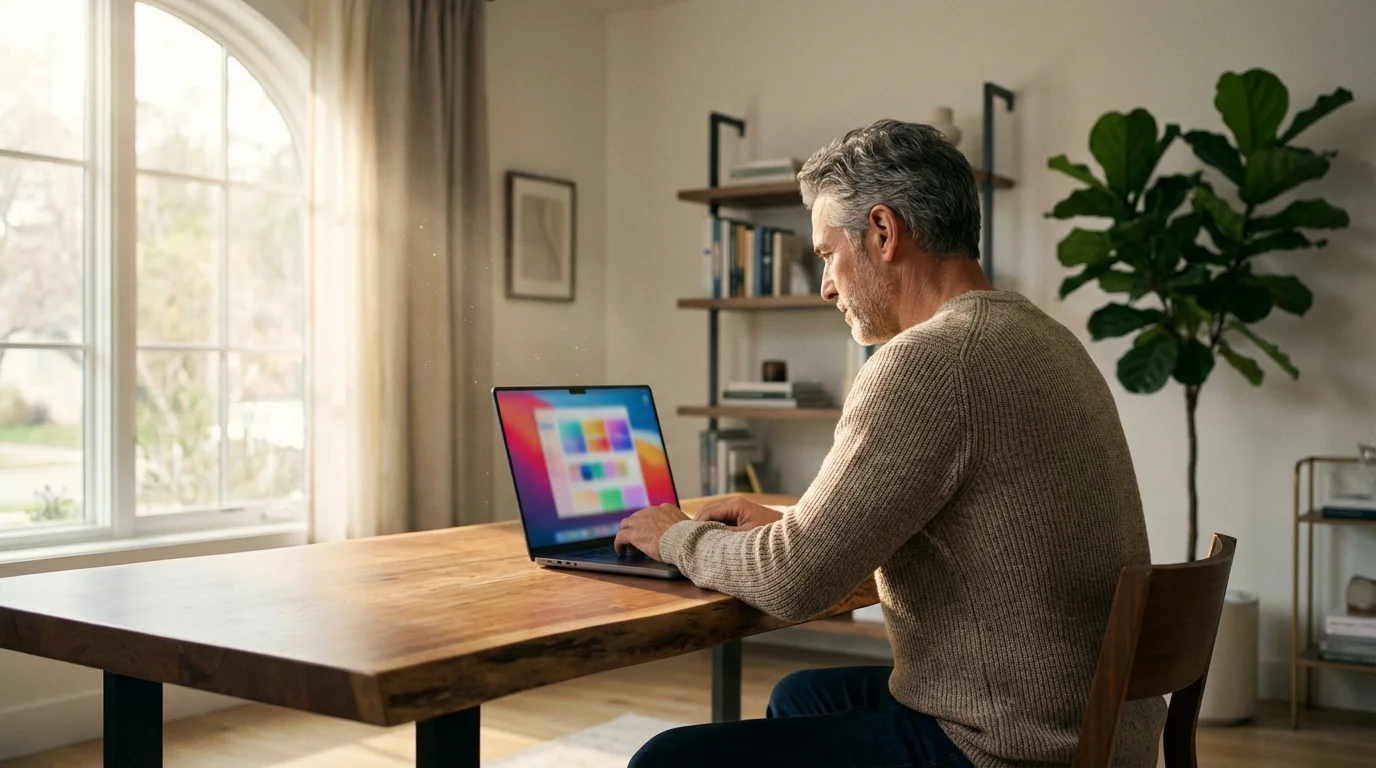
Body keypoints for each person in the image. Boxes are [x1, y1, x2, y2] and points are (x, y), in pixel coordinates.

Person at [614, 119, 1165, 768]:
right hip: (1091, 725)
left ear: (883, 231)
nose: (825, 286)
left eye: (825, 254)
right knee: (801, 697)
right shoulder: (1042, 335)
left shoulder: (931, 361)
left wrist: (675, 536)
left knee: (668, 760)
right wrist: (794, 524)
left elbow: (796, 584)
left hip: (1011, 749)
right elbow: (967, 528)